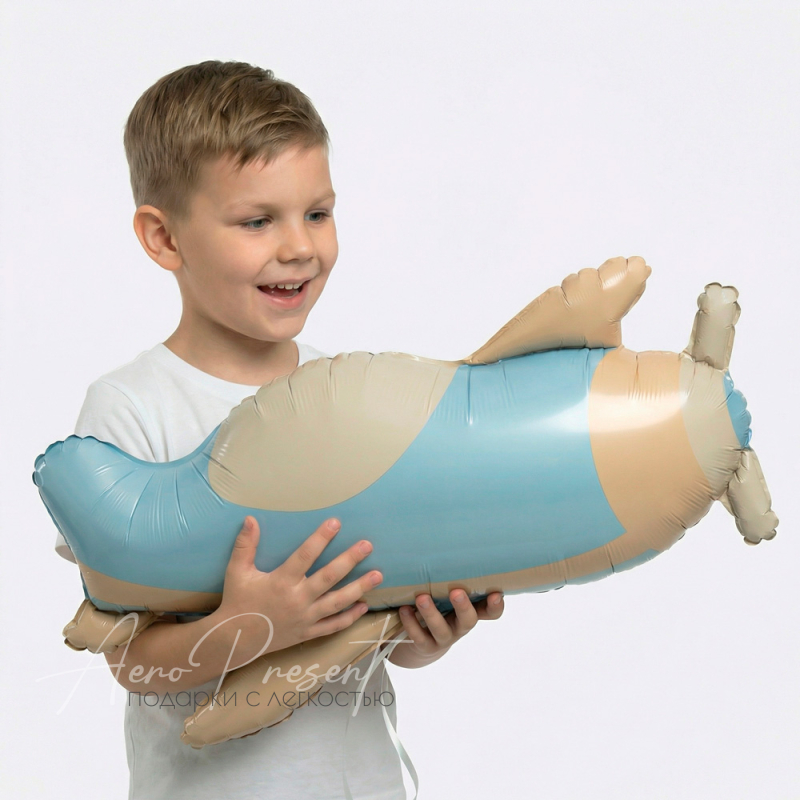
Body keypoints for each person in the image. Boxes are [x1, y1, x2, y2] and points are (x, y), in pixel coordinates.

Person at [54, 60, 505, 799]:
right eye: (258, 221)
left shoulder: (347, 393)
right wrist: (250, 625)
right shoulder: (131, 410)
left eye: (317, 214)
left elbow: (373, 633)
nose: (300, 247)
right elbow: (130, 661)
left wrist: (423, 635)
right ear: (164, 238)